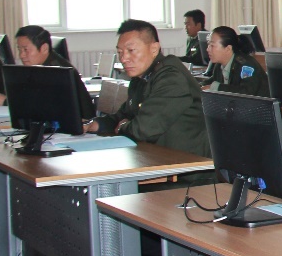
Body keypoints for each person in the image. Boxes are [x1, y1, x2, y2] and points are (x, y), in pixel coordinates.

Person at [88, 19, 211, 164]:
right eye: (120, 52)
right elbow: (125, 114)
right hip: (157, 158)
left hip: (186, 167)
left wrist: (121, 127)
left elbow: (143, 129)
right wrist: (95, 125)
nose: (124, 58)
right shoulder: (141, 78)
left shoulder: (171, 79)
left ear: (154, 49)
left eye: (131, 50)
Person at [0, 25, 95, 119]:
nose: (21, 55)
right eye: (19, 50)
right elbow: (29, 97)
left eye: (26, 50)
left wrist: (6, 101)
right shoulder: (40, 67)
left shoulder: (56, 70)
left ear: (44, 48)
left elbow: (42, 106)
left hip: (76, 129)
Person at [199, 26, 268, 96]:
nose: (207, 49)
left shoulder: (246, 65)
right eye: (208, 44)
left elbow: (246, 92)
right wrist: (198, 87)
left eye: (212, 45)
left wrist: (216, 87)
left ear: (228, 49)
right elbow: (211, 82)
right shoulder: (219, 66)